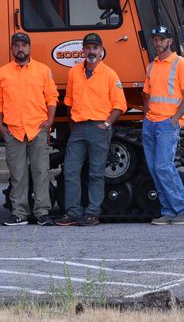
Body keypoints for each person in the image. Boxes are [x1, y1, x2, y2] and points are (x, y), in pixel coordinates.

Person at [56, 33, 126, 227]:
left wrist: (106, 125)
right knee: (70, 171)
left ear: (101, 51)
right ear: (83, 51)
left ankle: (93, 213)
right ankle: (73, 213)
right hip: (77, 128)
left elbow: (120, 105)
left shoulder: (110, 74)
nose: (91, 51)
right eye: (88, 48)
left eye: (95, 48)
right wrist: (72, 123)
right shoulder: (74, 73)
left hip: (98, 128)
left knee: (95, 173)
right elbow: (68, 101)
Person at [0, 32, 59, 226]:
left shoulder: (43, 70)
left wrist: (49, 121)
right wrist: (0, 126)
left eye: (24, 45)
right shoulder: (2, 72)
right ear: (12, 48)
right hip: (13, 130)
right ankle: (19, 212)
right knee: (18, 175)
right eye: (17, 45)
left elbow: (52, 97)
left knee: (41, 172)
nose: (20, 49)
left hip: (37, 128)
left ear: (29, 48)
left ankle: (42, 212)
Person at [142, 26, 184, 225]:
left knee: (163, 167)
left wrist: (174, 120)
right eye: (155, 39)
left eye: (161, 39)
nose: (157, 43)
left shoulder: (180, 64)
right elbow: (148, 96)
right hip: (151, 123)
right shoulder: (152, 66)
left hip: (167, 124)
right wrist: (146, 118)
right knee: (155, 169)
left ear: (170, 41)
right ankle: (169, 210)